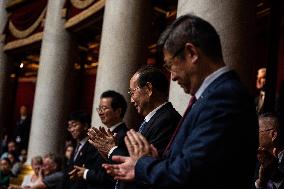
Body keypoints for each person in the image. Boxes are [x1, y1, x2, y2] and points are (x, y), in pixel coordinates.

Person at [102, 14, 258, 189]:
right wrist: (157, 160)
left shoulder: (224, 97)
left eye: (170, 65)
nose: (173, 76)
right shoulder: (213, 95)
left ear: (191, 53)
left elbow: (190, 173)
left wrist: (143, 164)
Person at [88, 66, 181, 189]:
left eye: (132, 93)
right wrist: (110, 151)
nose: (131, 100)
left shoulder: (167, 120)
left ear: (148, 89)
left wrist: (112, 150)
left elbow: (145, 166)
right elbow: (136, 159)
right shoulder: (153, 119)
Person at [71, 90, 128, 189]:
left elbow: (112, 174)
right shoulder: (105, 134)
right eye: (99, 108)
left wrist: (86, 173)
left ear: (118, 112)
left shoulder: (123, 136)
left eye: (104, 108)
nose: (100, 112)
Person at [64, 111, 108, 189]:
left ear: (85, 125)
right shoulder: (75, 146)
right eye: (69, 127)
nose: (71, 130)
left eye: (74, 125)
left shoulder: (94, 146)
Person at [255, 114, 284, 189]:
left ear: (273, 135)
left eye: (257, 131)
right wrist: (261, 183)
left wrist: (276, 175)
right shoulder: (258, 161)